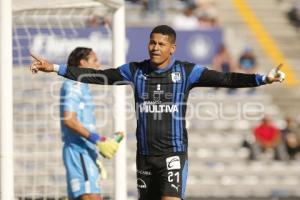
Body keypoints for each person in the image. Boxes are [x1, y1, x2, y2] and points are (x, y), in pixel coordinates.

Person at [30, 25, 285, 200]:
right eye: (152, 42)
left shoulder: (187, 72)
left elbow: (226, 78)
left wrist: (262, 78)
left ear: (172, 48)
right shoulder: (135, 70)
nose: (155, 47)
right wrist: (55, 67)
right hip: (145, 157)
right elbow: (101, 76)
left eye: (161, 44)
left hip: (172, 156)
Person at [59, 47, 123, 200]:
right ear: (82, 63)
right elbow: (69, 119)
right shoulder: (74, 84)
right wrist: (98, 140)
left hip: (86, 152)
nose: (99, 65)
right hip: (78, 152)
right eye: (95, 61)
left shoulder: (83, 86)